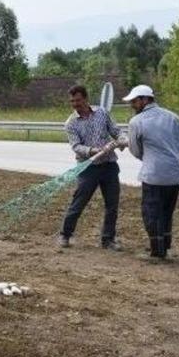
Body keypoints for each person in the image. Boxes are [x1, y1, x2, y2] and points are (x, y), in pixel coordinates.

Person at [123, 85, 179, 261]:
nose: (132, 104)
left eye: (134, 101)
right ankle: (166, 246)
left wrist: (148, 159)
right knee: (167, 212)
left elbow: (135, 150)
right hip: (175, 176)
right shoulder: (173, 117)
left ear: (145, 100)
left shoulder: (136, 122)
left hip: (154, 176)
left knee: (151, 213)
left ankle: (157, 252)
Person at [59, 85, 123, 250]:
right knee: (79, 202)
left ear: (86, 99)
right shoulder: (71, 123)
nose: (75, 104)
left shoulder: (102, 113)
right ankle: (65, 235)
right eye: (72, 101)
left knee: (112, 204)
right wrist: (93, 151)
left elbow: (115, 131)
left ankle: (108, 240)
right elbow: (76, 146)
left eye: (78, 100)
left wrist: (122, 139)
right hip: (88, 168)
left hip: (109, 165)